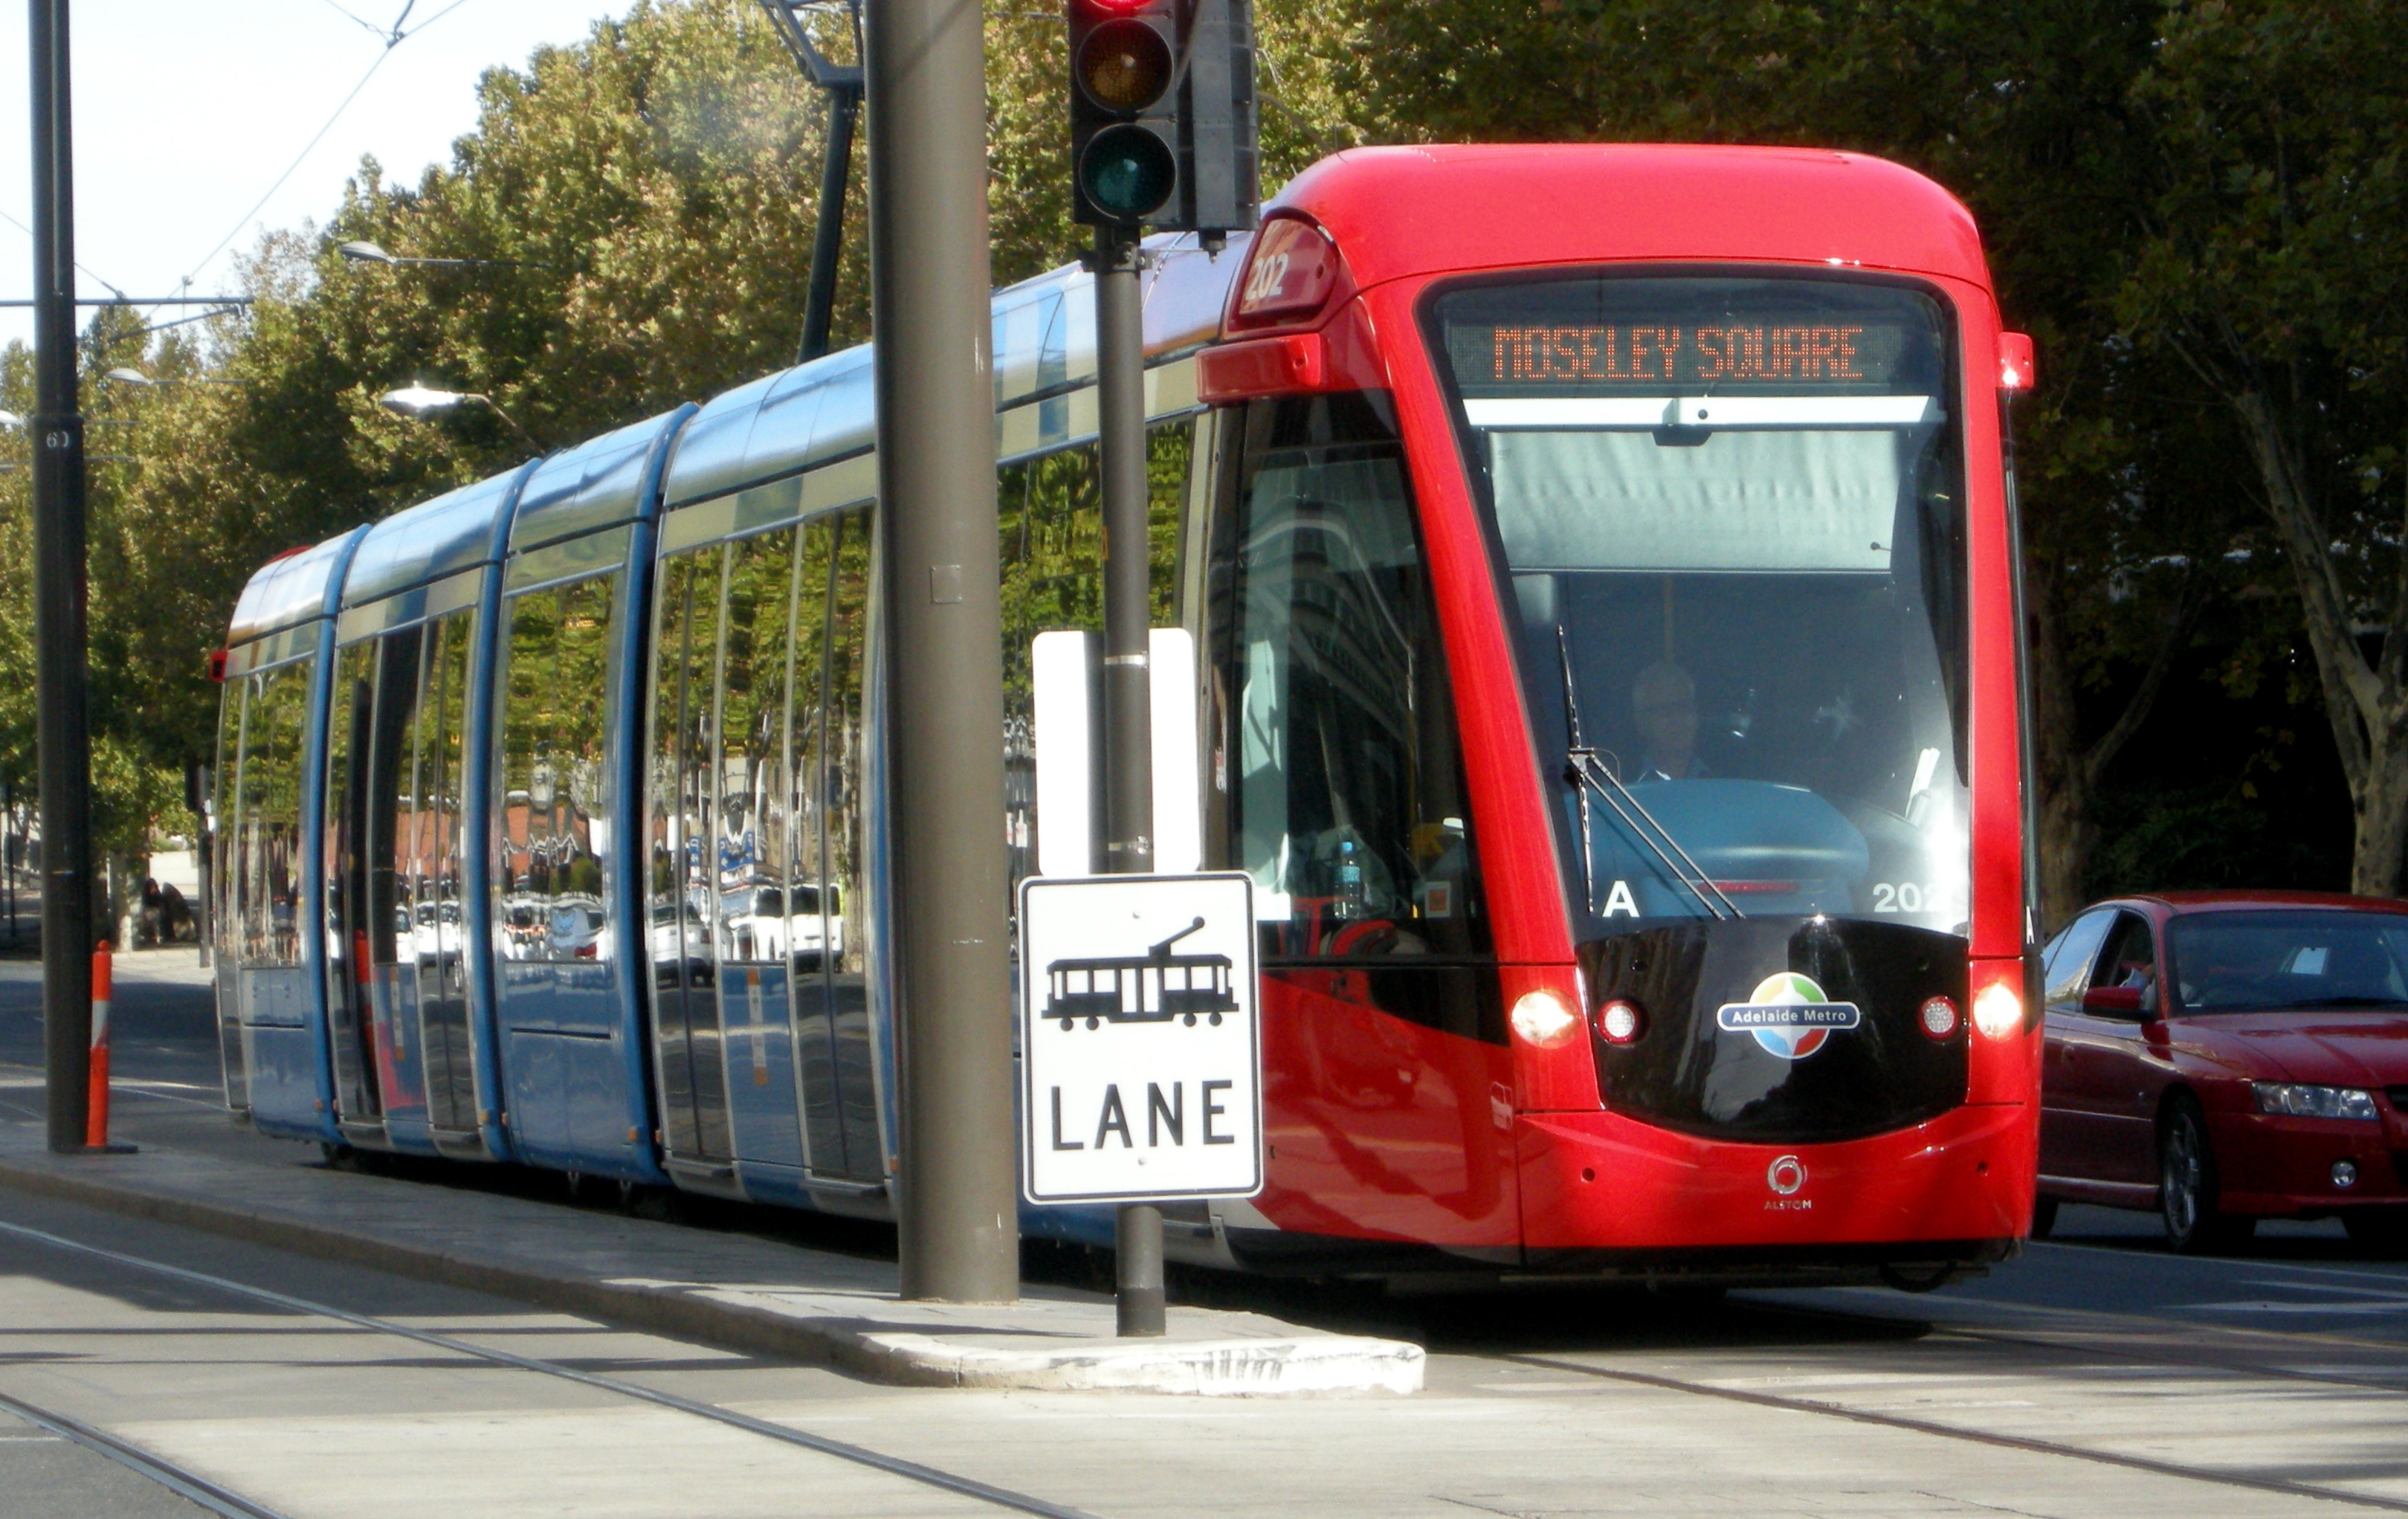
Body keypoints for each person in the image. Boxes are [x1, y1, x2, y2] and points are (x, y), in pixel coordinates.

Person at [1630, 661, 1708, 781]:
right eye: (1664, 711)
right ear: (1641, 722)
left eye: (1683, 707)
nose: (1676, 719)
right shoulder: (1616, 785)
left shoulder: (1729, 776)